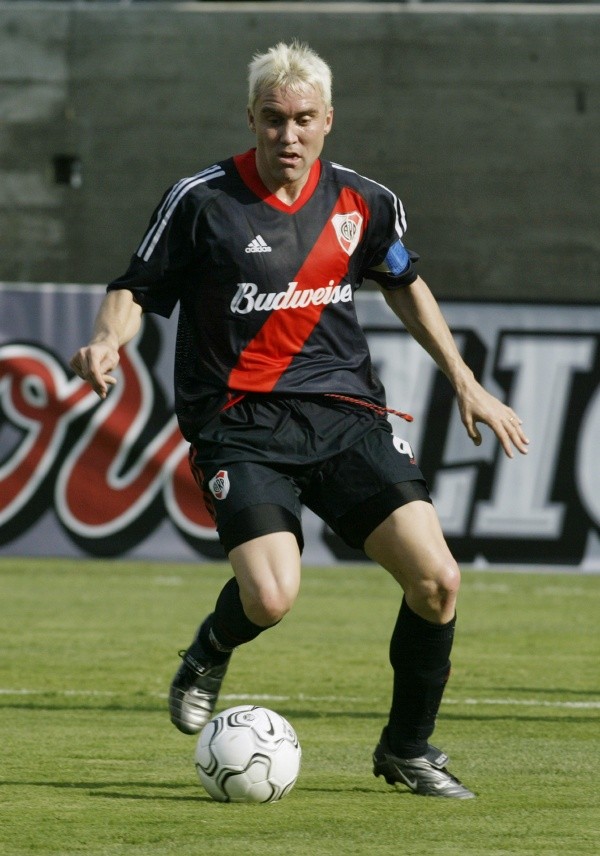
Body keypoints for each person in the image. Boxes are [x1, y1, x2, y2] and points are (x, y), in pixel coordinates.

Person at [70, 41, 528, 800]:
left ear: (328, 122)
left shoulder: (365, 201)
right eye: (274, 119)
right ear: (250, 117)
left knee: (438, 581)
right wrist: (102, 340)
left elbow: (404, 283)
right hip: (240, 422)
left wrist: (465, 380)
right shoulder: (202, 199)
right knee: (272, 598)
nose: (289, 135)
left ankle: (407, 750)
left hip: (345, 416)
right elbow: (134, 288)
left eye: (304, 120)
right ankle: (212, 648)